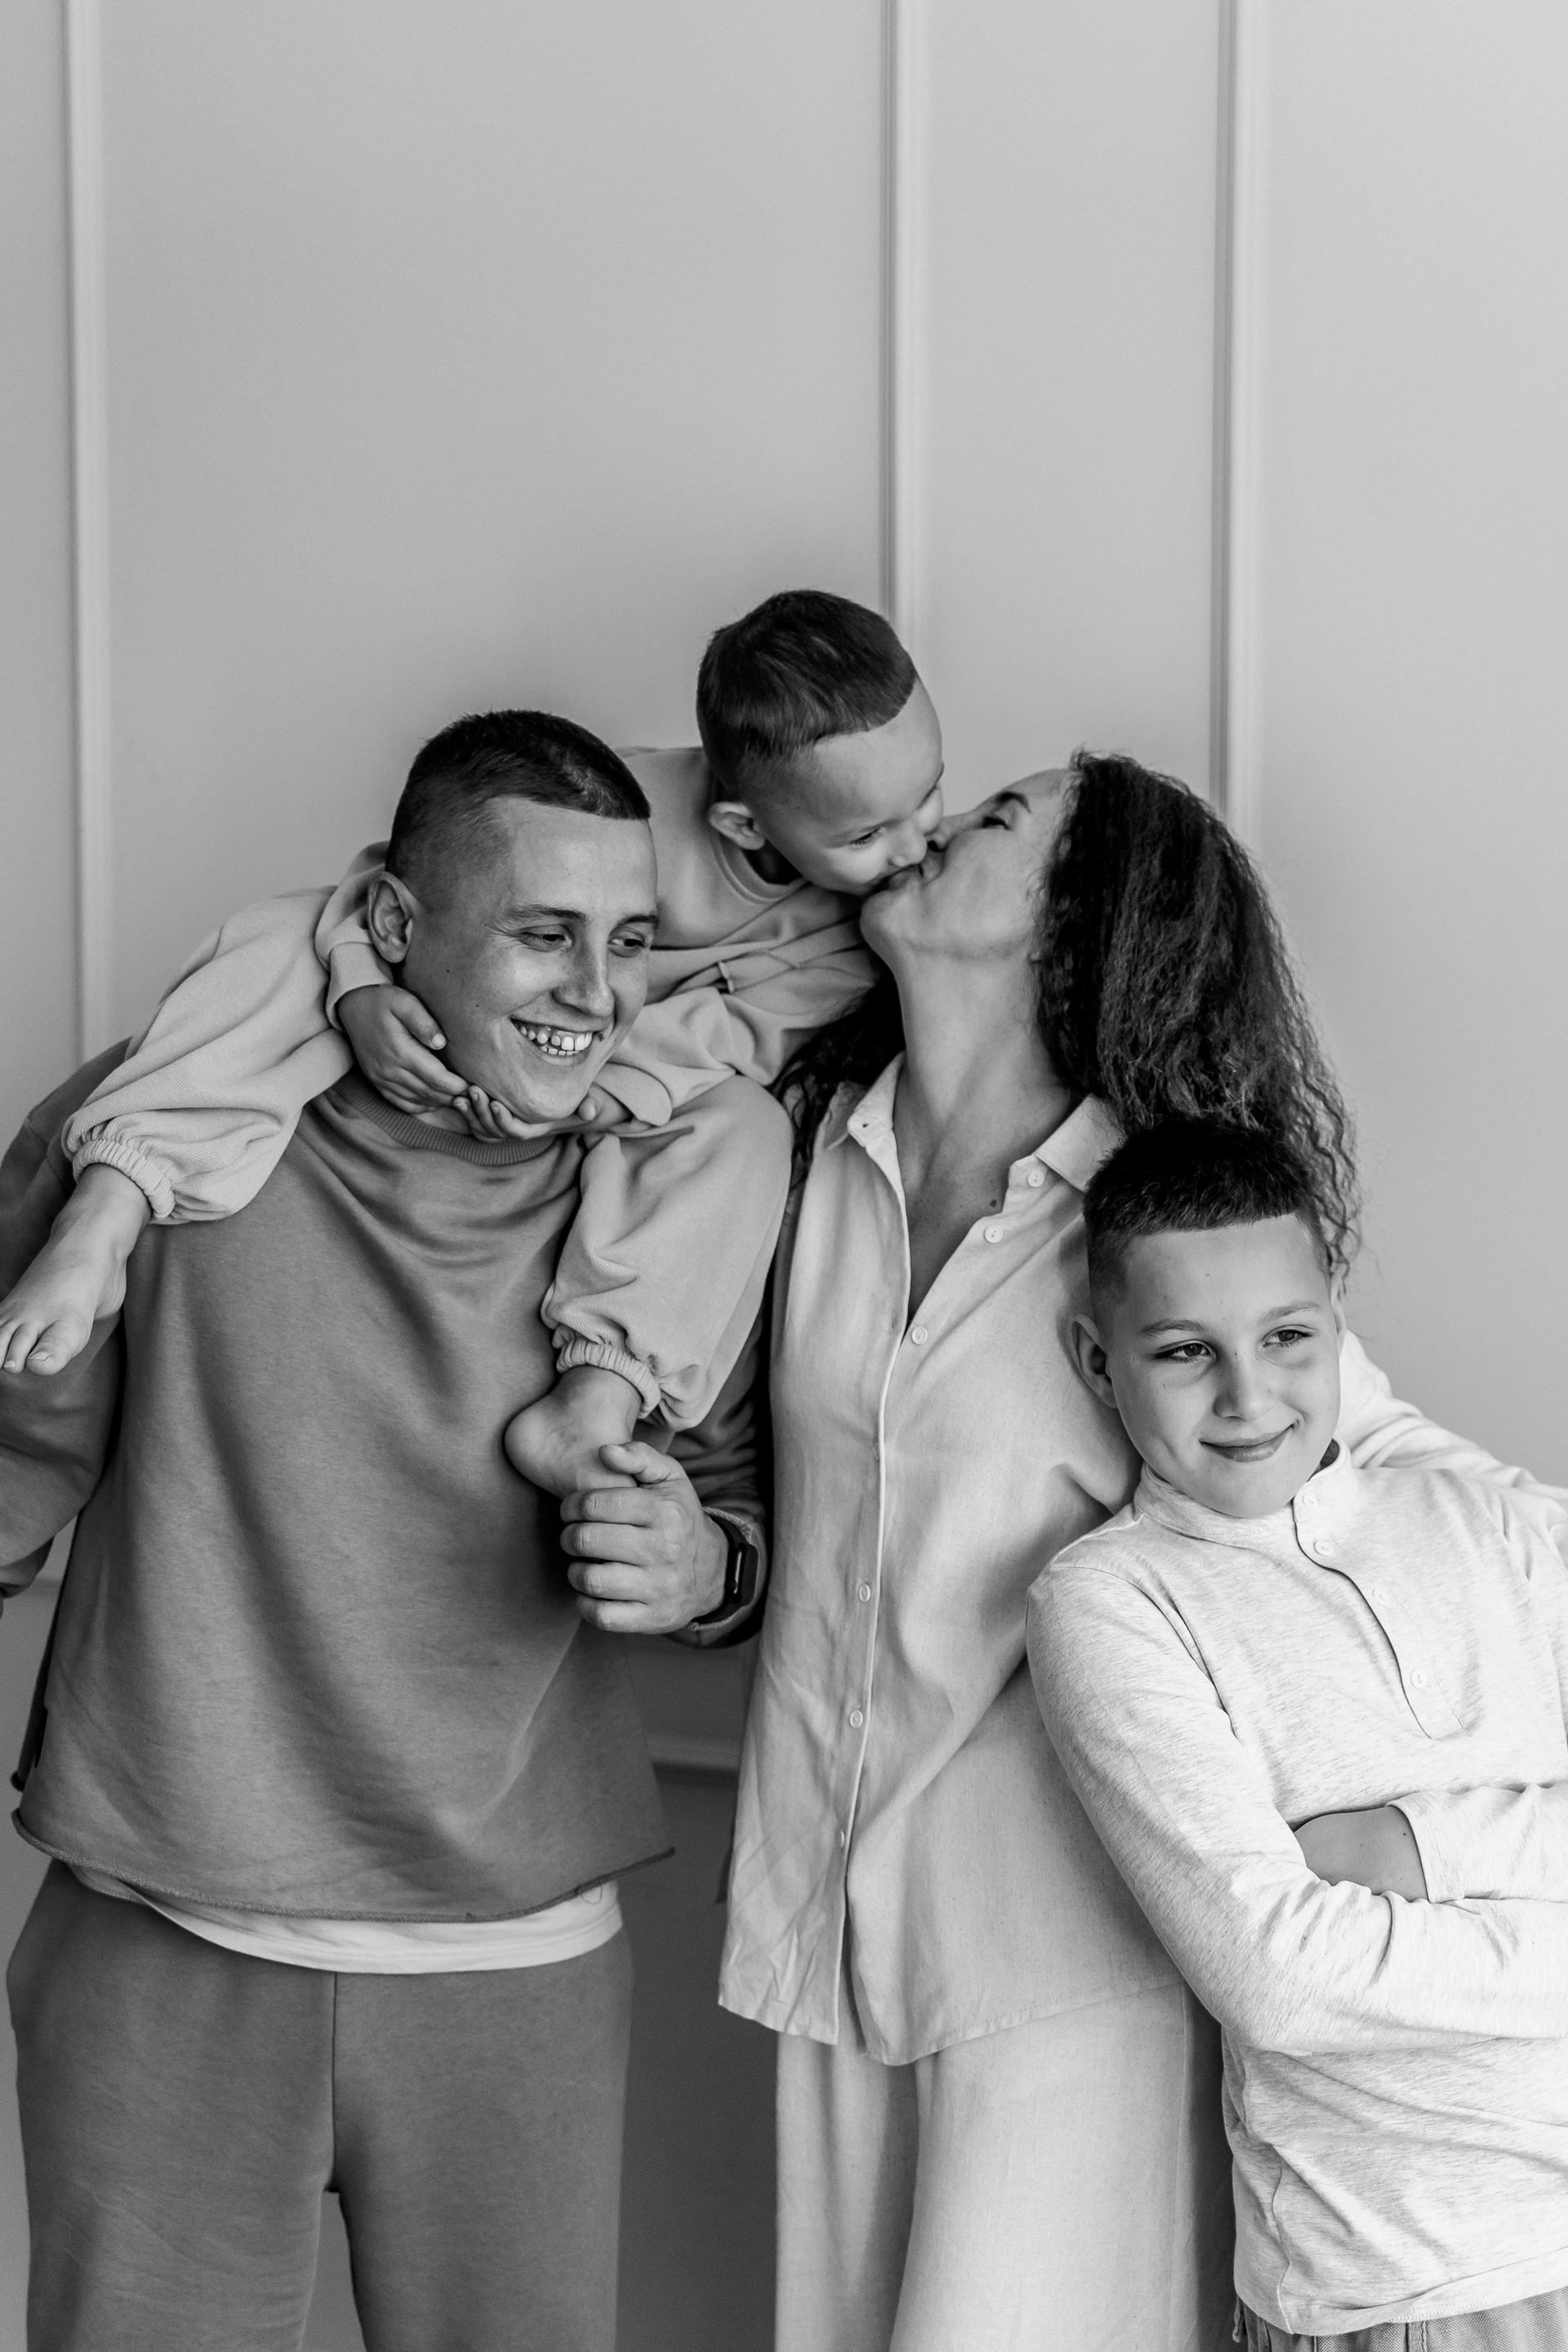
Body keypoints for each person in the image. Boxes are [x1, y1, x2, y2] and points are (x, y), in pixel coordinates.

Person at [716, 751, 1567, 2352]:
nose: (933, 826)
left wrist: (1443, 1831)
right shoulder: (811, 1149)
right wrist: (710, 1568)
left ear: (1074, 919)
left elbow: (1356, 1442)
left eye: (993, 820)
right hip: (820, 1906)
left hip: (1054, 1934)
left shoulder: (1153, 1243)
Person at [0, 710, 778, 2352]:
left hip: (520, 1967)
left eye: (631, 941)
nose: (596, 992)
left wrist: (708, 1569)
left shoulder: (682, 1186)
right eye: (543, 934)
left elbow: (746, 1524)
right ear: (393, 924)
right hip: (163, 1942)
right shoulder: (162, 1125)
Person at [0, 589, 945, 1501]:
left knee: (743, 1128)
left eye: (932, 797)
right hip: (455, 1016)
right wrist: (361, 987)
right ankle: (114, 1201)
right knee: (276, 937)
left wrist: (604, 1091)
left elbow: (739, 1036)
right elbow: (397, 876)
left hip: (617, 1079)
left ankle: (597, 1397)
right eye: (871, 833)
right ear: (741, 821)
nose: (917, 849)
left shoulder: (855, 931)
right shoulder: (624, 805)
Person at [1029, 1118, 1568, 2351]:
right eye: (1184, 1351)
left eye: (1286, 1338)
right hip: (1415, 2284)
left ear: (1336, 1329)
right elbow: (1282, 1978)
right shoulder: (1114, 1603)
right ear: (1100, 1362)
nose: (1247, 1396)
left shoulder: (1494, 1526)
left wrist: (1418, 1848)